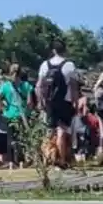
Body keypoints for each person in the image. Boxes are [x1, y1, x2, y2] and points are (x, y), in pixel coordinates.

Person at [38, 40, 80, 168]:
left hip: (50, 102)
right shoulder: (69, 65)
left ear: (53, 50)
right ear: (64, 50)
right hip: (64, 101)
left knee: (49, 130)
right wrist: (75, 102)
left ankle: (46, 159)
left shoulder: (45, 65)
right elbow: (73, 86)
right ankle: (62, 160)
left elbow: (40, 85)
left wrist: (42, 101)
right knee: (62, 130)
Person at [0, 65, 32, 168]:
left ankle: (11, 162)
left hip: (9, 114)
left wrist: (3, 108)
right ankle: (21, 161)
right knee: (22, 139)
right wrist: (28, 112)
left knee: (10, 139)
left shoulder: (6, 85)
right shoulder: (26, 85)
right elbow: (29, 103)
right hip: (22, 115)